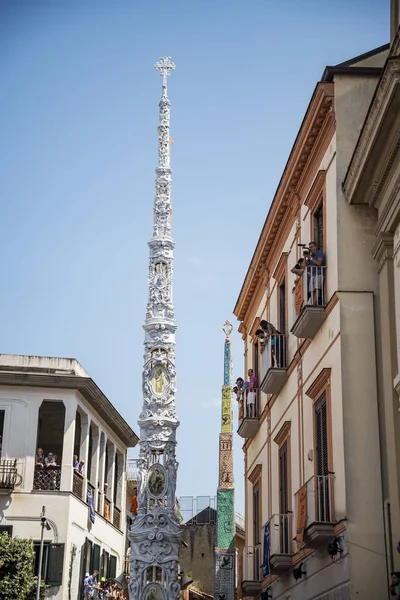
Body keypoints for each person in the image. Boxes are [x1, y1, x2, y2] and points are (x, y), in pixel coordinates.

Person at [307, 241, 325, 305]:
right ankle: (313, 304)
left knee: (317, 290)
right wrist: (305, 257)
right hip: (312, 275)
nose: (311, 248)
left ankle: (315, 304)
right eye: (309, 247)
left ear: (316, 246)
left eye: (312, 247)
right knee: (312, 291)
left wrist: (310, 258)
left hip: (319, 273)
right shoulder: (311, 256)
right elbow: (304, 266)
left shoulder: (319, 253)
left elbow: (319, 263)